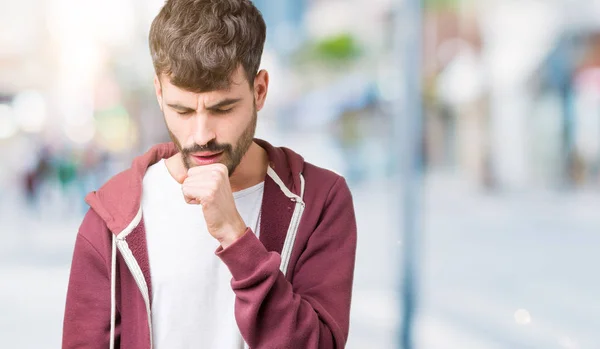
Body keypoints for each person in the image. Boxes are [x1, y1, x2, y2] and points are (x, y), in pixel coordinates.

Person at [62, 1, 357, 348]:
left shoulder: (320, 200)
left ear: (259, 90)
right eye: (182, 110)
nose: (201, 134)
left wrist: (236, 237)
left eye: (223, 108)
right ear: (159, 93)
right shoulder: (113, 219)